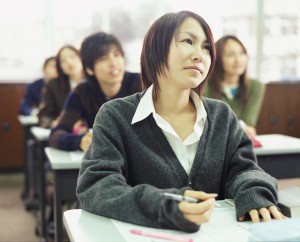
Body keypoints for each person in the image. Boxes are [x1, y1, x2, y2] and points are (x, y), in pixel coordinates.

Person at [76, 11, 284, 233]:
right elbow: (96, 186)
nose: (200, 55)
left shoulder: (221, 114)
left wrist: (253, 193)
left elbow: (244, 169)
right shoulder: (115, 115)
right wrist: (165, 205)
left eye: (206, 47)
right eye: (188, 41)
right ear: (156, 49)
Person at [49, 32, 141, 151]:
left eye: (117, 55)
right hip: (105, 159)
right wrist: (80, 141)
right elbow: (56, 134)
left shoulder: (140, 84)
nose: (113, 63)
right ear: (89, 69)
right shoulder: (82, 93)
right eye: (103, 58)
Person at [204, 35, 265, 137]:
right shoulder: (205, 85)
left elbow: (248, 123)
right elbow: (207, 124)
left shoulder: (255, 86)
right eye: (230, 55)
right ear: (217, 59)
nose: (238, 60)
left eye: (242, 53)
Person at [38, 45, 85, 128]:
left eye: (72, 57)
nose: (69, 62)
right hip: (66, 133)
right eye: (63, 61)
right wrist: (54, 124)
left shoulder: (95, 81)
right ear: (60, 67)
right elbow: (44, 117)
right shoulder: (53, 85)